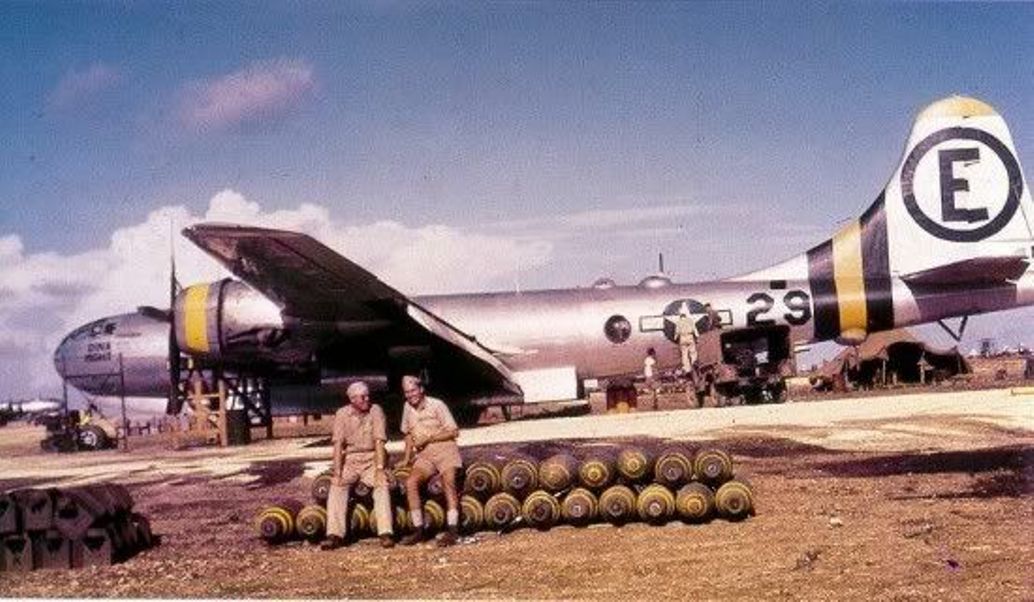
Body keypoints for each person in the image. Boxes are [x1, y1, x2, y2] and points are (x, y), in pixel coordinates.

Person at [321, 381, 394, 550]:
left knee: (381, 485)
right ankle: (334, 535)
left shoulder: (376, 410)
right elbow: (338, 445)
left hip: (372, 458)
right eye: (363, 397)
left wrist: (380, 469)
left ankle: (385, 533)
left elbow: (379, 442)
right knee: (337, 486)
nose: (367, 399)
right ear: (352, 399)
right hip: (351, 461)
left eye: (368, 395)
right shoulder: (342, 414)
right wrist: (338, 472)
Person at [396, 375, 463, 547]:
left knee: (448, 481)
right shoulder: (407, 407)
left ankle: (453, 530)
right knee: (411, 482)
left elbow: (454, 431)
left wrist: (429, 438)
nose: (411, 395)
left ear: (421, 389)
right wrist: (406, 458)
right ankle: (419, 530)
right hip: (425, 455)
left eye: (413, 390)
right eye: (407, 392)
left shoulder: (437, 405)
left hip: (445, 449)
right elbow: (408, 434)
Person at [675, 309, 700, 377]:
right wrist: (697, 337)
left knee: (684, 354)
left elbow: (677, 331)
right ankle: (694, 365)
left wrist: (675, 338)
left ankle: (687, 368)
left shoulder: (678, 322)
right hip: (690, 336)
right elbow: (695, 329)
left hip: (682, 338)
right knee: (693, 352)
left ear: (680, 316)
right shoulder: (690, 321)